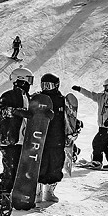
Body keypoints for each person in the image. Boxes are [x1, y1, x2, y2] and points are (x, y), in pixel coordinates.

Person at [0, 67, 34, 216]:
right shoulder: (8, 95)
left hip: (23, 140)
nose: (29, 84)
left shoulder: (29, 98)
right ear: (20, 80)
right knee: (9, 171)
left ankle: (17, 200)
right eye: (28, 80)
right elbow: (0, 111)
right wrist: (16, 111)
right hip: (9, 140)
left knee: (20, 171)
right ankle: (4, 203)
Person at [72, 79, 108, 170]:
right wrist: (80, 89)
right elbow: (90, 95)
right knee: (106, 145)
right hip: (101, 125)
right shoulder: (101, 97)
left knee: (96, 143)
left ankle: (97, 162)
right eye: (106, 87)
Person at [37, 74, 66, 202]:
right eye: (44, 85)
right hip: (41, 137)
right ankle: (37, 191)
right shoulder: (38, 98)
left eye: (49, 85)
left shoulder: (61, 100)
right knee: (40, 165)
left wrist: (74, 126)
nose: (46, 88)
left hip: (57, 138)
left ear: (56, 85)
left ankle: (49, 191)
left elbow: (67, 117)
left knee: (55, 165)